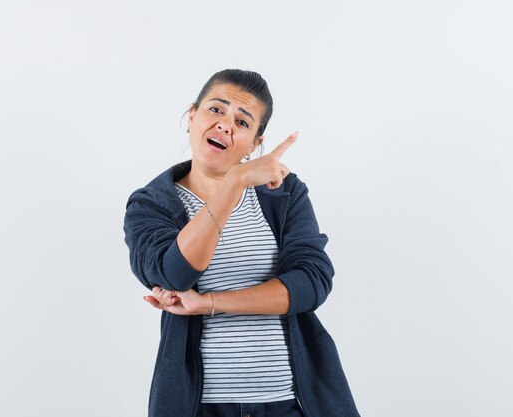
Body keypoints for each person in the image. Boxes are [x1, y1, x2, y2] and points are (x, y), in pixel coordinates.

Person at [123, 69, 360, 417]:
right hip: (200, 407)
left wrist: (209, 303)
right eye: (216, 110)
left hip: (293, 403)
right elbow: (175, 274)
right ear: (192, 115)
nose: (224, 125)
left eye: (242, 122)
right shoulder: (152, 204)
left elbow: (312, 284)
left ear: (254, 143)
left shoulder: (285, 194)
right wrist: (233, 182)